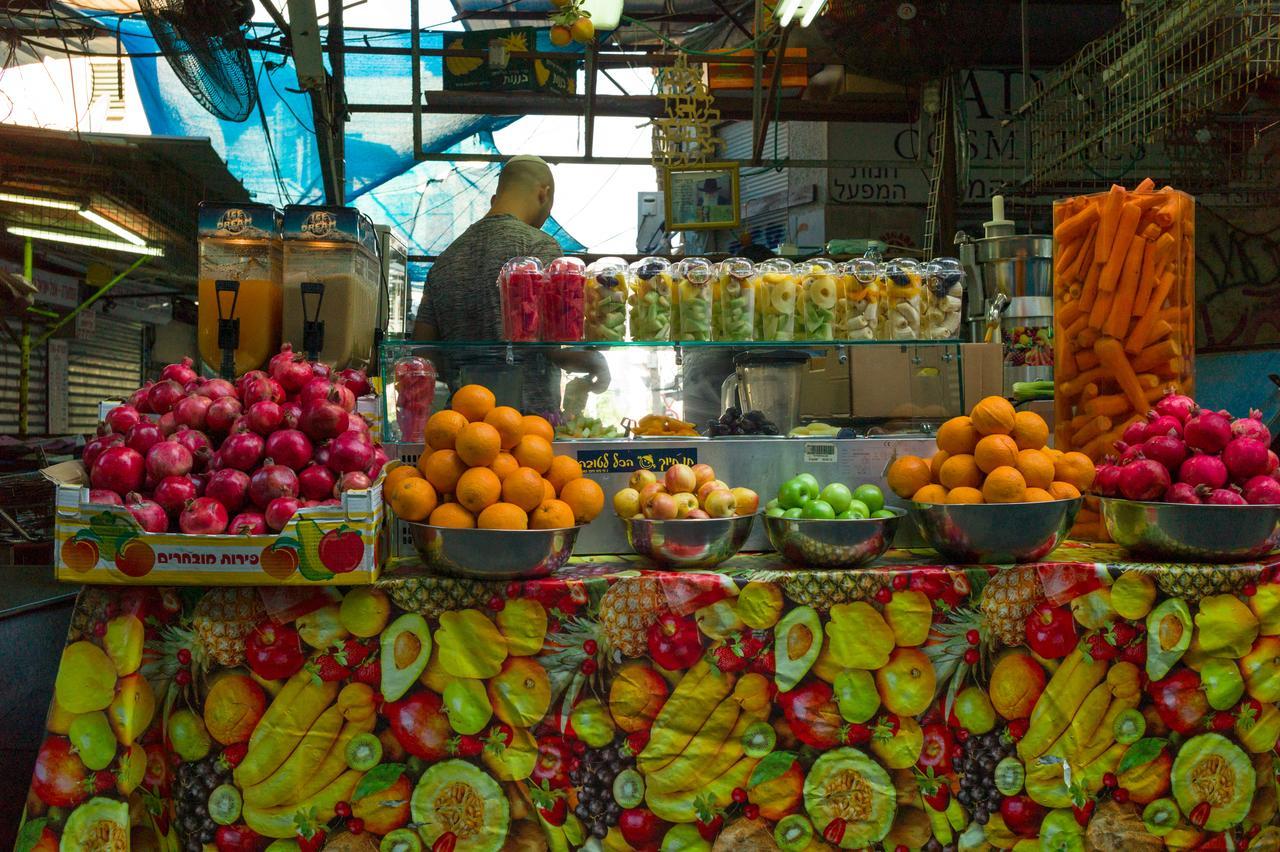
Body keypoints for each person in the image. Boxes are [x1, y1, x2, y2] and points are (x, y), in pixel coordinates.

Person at [411, 155, 607, 415]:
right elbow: (553, 344)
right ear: (544, 194)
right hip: (525, 425)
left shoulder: (445, 259)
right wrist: (594, 360)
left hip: (462, 422)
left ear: (495, 199)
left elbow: (424, 352)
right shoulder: (539, 248)